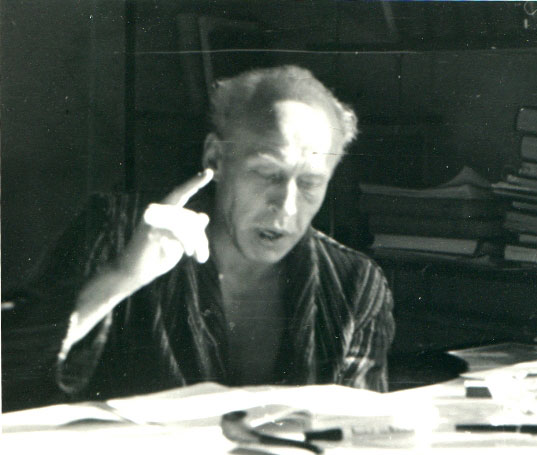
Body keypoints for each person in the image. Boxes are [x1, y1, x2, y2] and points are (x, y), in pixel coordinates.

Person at [2, 66, 395, 411]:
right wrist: (121, 277)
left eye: (310, 183)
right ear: (214, 159)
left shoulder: (354, 284)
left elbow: (357, 434)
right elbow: (9, 373)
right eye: (267, 173)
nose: (287, 206)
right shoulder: (117, 232)